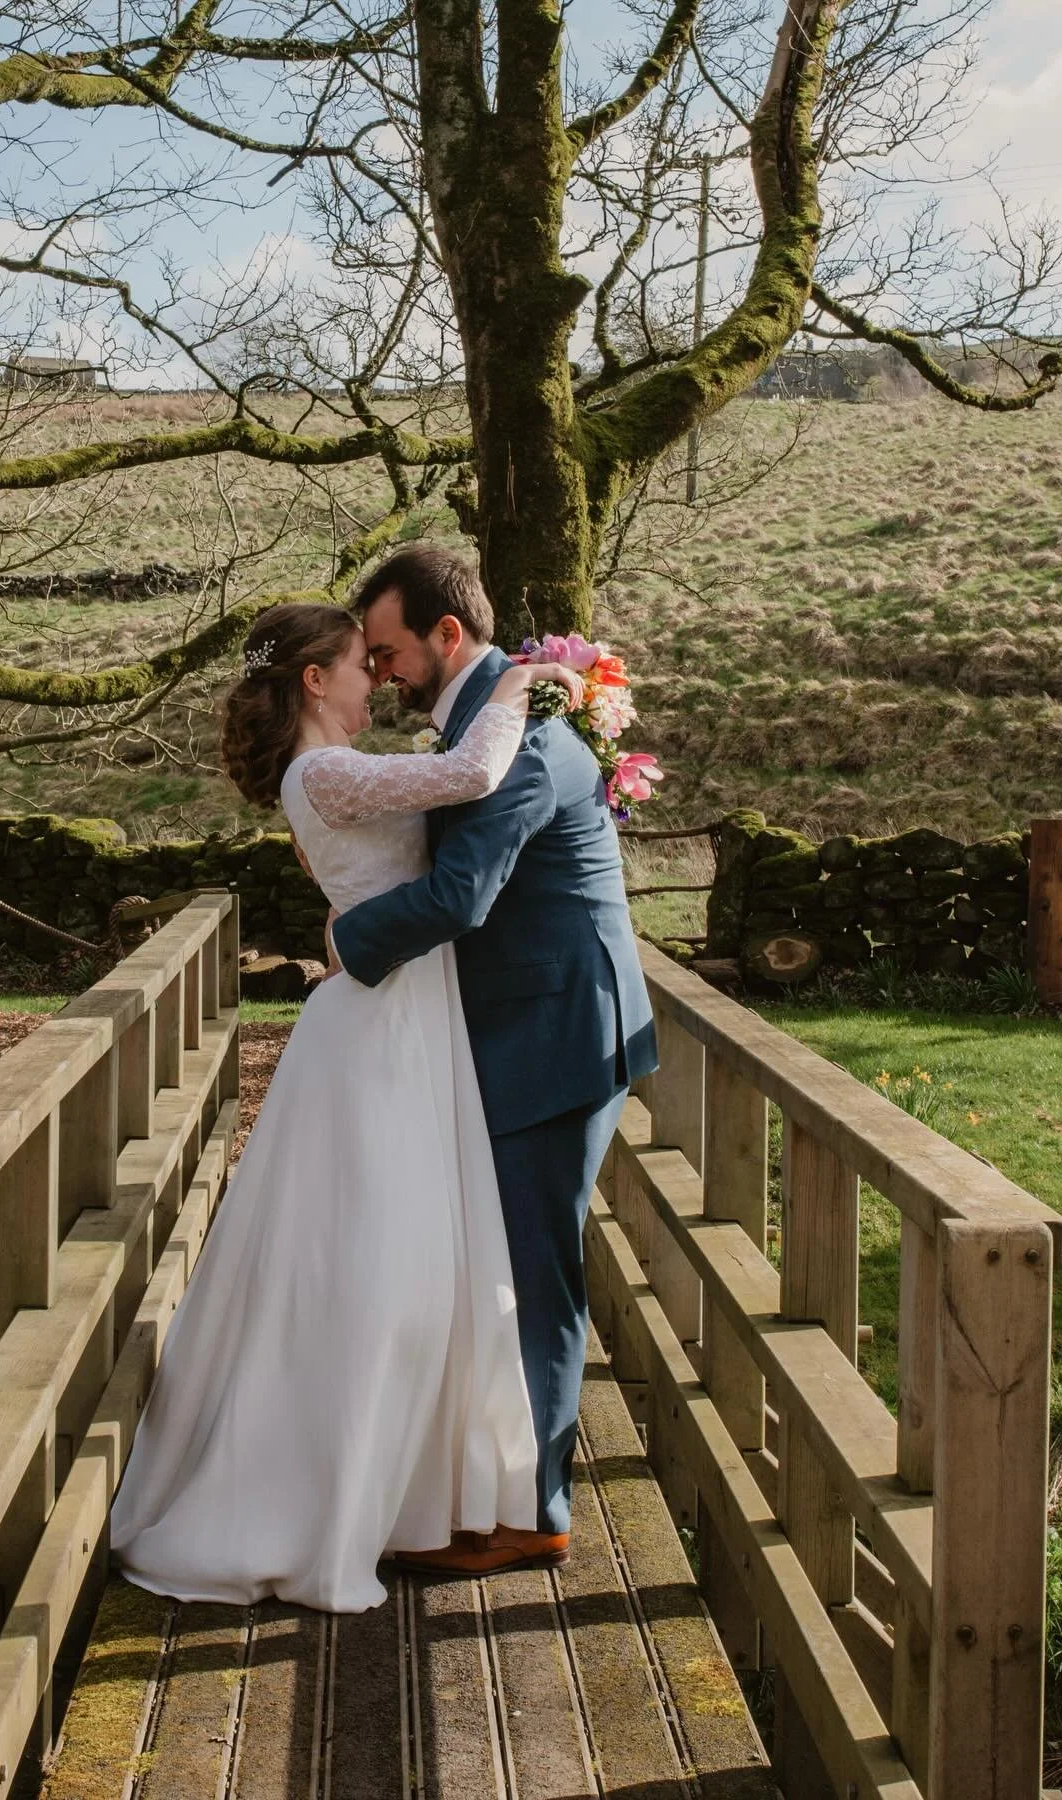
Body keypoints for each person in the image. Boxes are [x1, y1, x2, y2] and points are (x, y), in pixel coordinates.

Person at [108, 601, 583, 1612]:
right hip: (383, 1030)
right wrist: (517, 687)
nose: (378, 679)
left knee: (408, 1255)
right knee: (374, 1258)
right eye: (360, 665)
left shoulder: (330, 774)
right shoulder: (322, 772)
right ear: (315, 682)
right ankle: (327, 1496)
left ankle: (405, 1487)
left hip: (406, 1014)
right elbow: (467, 777)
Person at [330, 545, 657, 1575]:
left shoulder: (512, 737)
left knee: (535, 1270)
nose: (376, 673)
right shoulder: (492, 720)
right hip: (534, 1021)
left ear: (448, 635)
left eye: (386, 653)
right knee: (513, 1263)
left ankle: (537, 1512)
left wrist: (345, 946)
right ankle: (499, 1483)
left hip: (556, 1033)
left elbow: (463, 898)